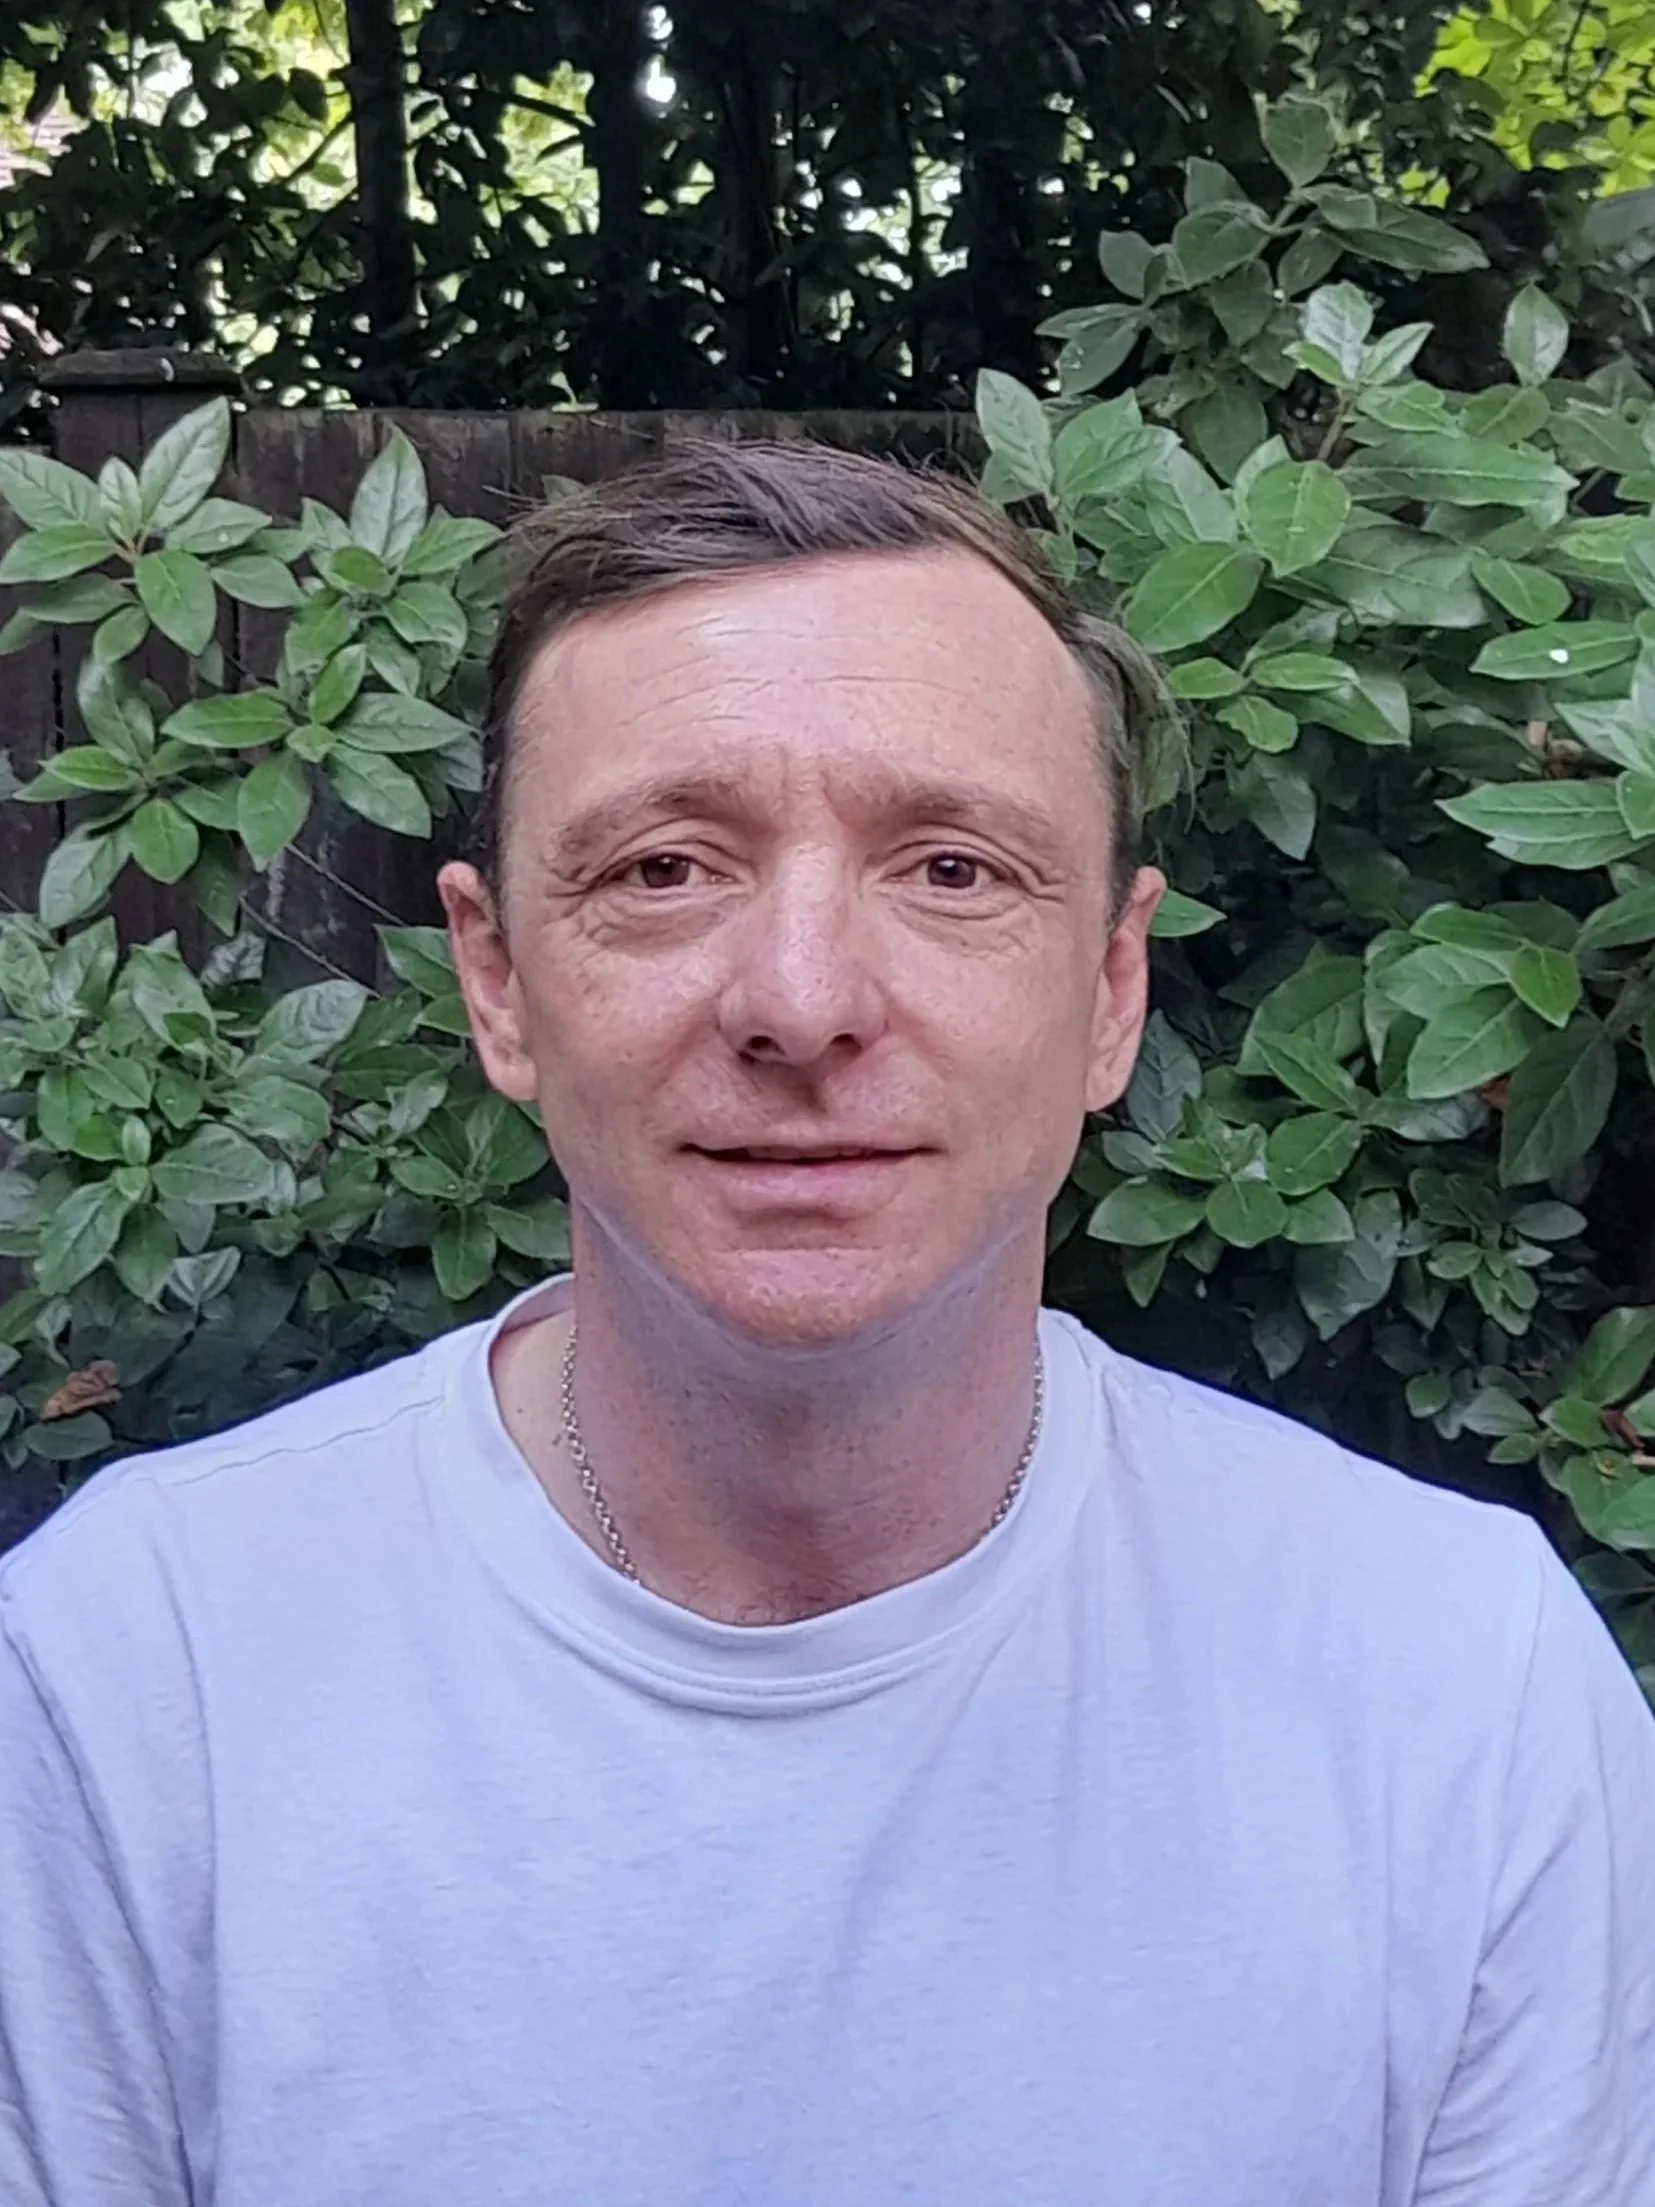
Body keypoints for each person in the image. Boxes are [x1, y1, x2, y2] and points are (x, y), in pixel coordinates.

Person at [1, 442, 1652, 2207]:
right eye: (661, 868)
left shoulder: (1450, 1690)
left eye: (949, 869)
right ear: (495, 981)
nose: (799, 1002)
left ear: (1110, 991)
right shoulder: (128, 1679)